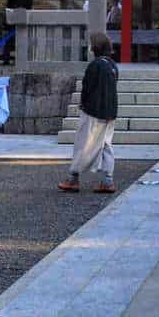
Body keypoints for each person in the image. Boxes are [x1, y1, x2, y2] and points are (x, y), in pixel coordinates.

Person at [58, 31, 119, 194]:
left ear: (95, 47)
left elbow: (88, 88)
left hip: (94, 110)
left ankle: (73, 178)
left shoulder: (95, 65)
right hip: (110, 111)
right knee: (105, 145)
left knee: (83, 144)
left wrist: (83, 103)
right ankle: (107, 180)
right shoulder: (112, 65)